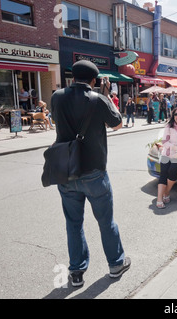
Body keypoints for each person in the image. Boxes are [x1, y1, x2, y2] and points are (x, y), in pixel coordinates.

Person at [51, 60, 130, 287]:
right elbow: (117, 124)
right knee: (106, 222)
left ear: (72, 77)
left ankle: (76, 272)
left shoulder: (57, 96)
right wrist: (106, 97)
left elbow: (57, 121)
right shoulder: (98, 100)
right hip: (95, 171)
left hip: (66, 171)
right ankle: (116, 264)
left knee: (73, 223)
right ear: (94, 80)